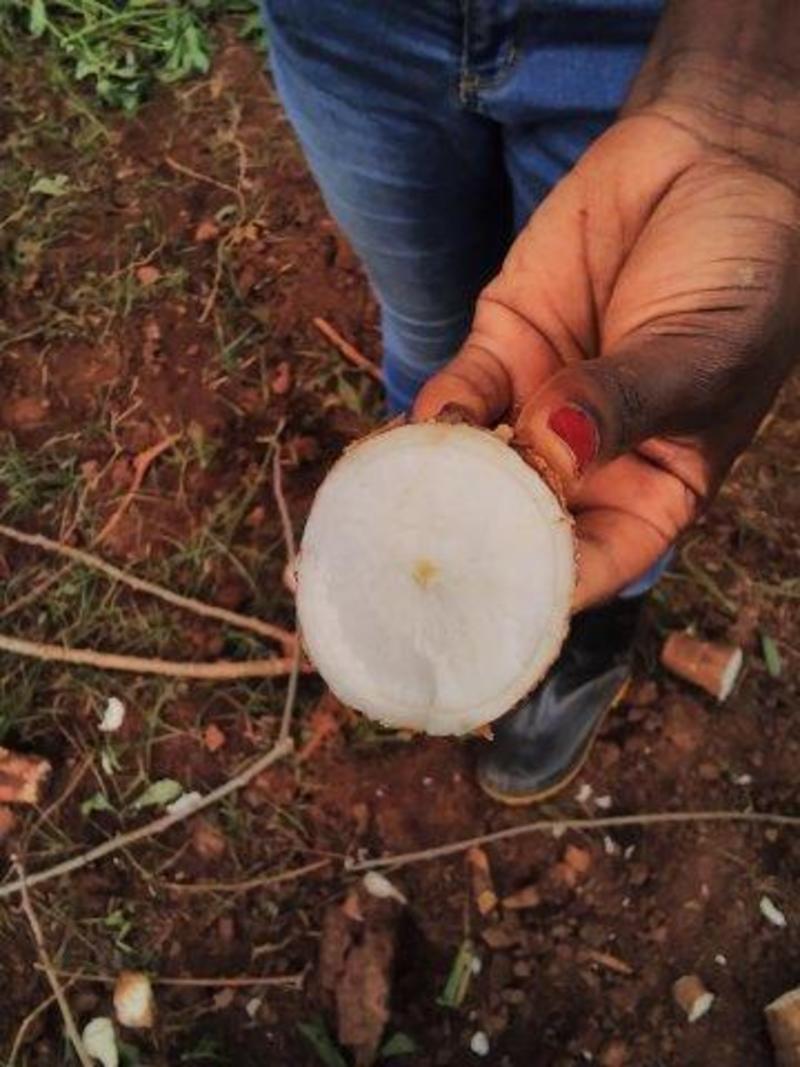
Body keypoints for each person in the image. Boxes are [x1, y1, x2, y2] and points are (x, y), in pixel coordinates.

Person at [259, 0, 800, 802]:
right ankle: (427, 506)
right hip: (354, 29)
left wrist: (744, 104)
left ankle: (597, 625)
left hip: (644, 25)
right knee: (443, 337)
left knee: (624, 375)